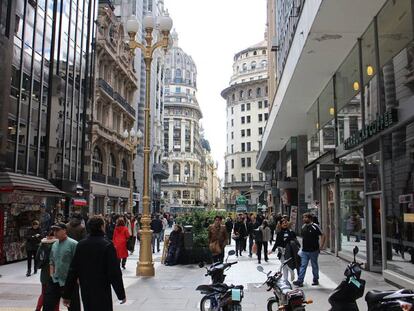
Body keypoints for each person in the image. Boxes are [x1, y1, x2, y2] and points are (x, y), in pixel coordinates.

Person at [62, 216, 126, 310]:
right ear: (101, 227)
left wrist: (67, 295)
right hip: (102, 289)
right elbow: (114, 272)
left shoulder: (81, 245)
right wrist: (121, 294)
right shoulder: (107, 245)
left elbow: (73, 271)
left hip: (86, 288)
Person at [43, 223, 80, 311]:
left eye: (57, 230)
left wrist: (77, 279)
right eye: (54, 230)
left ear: (64, 230)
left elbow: (79, 263)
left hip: (70, 281)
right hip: (55, 280)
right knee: (48, 305)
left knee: (73, 307)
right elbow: (51, 261)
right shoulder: (54, 244)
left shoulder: (73, 244)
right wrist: (52, 274)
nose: (55, 233)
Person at [293, 213, 326, 287]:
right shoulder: (303, 226)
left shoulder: (315, 226)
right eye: (303, 217)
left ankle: (315, 279)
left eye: (305, 217)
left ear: (310, 218)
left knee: (314, 265)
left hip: (314, 250)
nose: (303, 219)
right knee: (303, 265)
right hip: (305, 250)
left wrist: (321, 246)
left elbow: (323, 235)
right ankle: (300, 280)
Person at [35, 231, 58, 311]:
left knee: (44, 293)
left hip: (44, 272)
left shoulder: (42, 244)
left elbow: (37, 258)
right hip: (54, 272)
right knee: (55, 294)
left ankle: (38, 308)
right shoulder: (56, 244)